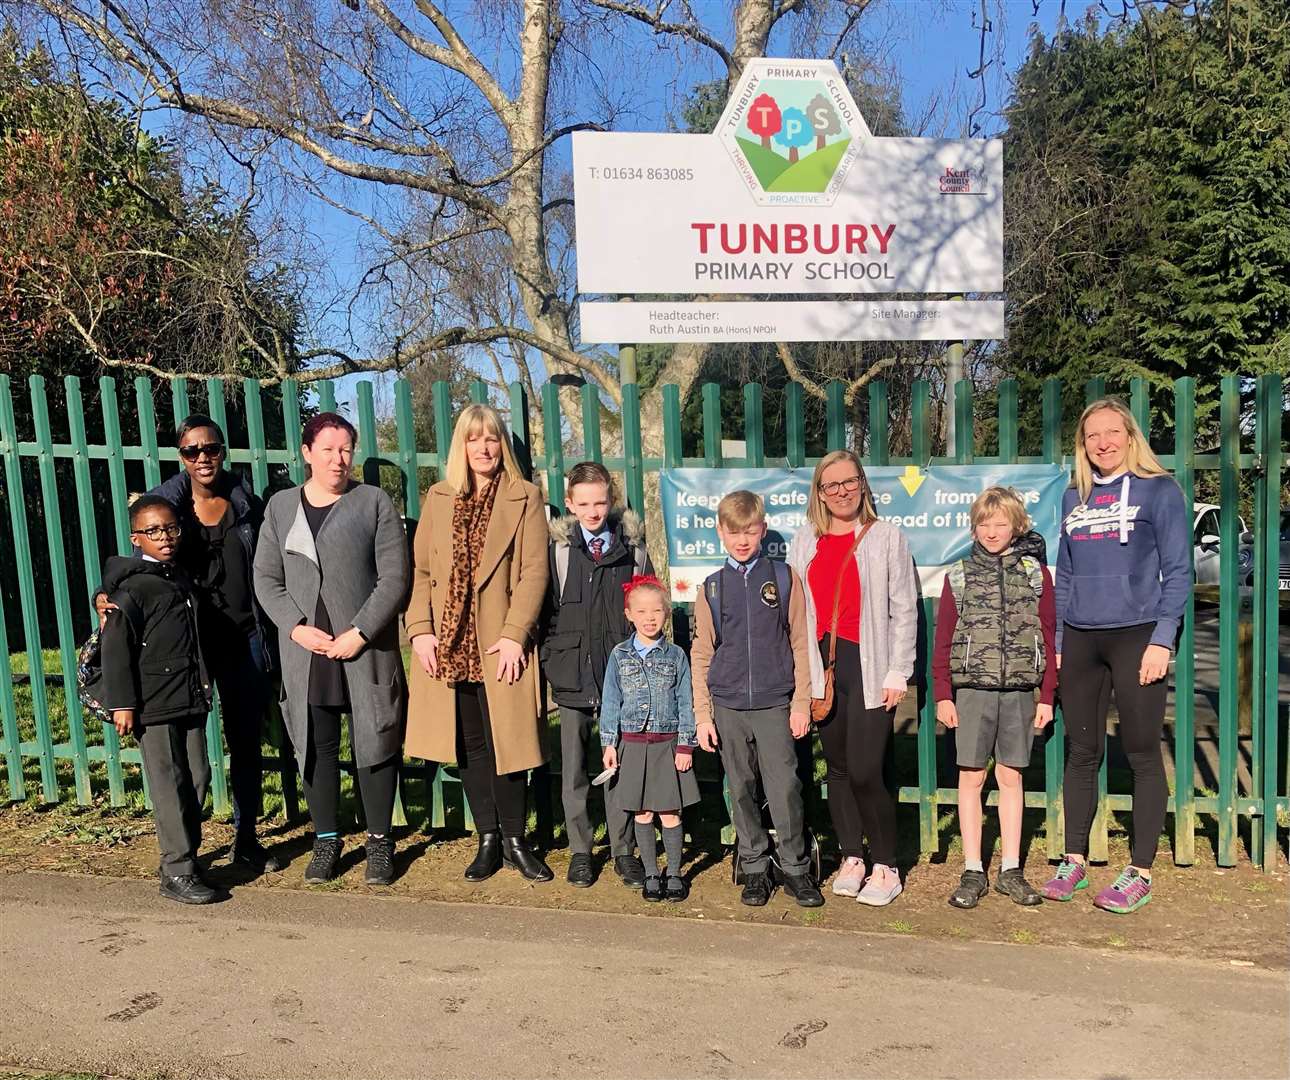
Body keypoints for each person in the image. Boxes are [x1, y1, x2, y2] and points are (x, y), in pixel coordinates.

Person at [97, 415, 282, 873]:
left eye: (211, 449)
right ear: (181, 456)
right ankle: (183, 854)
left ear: (223, 450)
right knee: (185, 753)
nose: (203, 458)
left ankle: (247, 836)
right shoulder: (168, 509)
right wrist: (103, 592)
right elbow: (134, 561)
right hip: (189, 648)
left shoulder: (245, 503)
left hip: (244, 638)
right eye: (192, 451)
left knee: (245, 742)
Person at [1042, 397, 1190, 914]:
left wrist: (1162, 638)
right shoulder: (1072, 498)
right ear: (1082, 445)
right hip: (1082, 638)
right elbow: (1066, 577)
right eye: (1091, 436)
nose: (1102, 443)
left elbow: (1179, 572)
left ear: (1130, 435)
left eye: (1111, 432)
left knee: (1142, 751)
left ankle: (1140, 870)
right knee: (1081, 752)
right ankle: (1075, 859)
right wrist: (1059, 644)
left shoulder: (1161, 491)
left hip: (1137, 636)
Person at [253, 412, 410, 887]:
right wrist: (296, 629)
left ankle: (380, 842)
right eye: (328, 449)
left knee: (375, 740)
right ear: (306, 453)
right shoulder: (281, 508)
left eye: (345, 449)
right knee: (316, 746)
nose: (339, 459)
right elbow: (265, 577)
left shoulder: (373, 502)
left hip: (363, 649)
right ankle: (326, 839)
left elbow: (395, 577)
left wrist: (360, 632)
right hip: (308, 652)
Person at [404, 404, 553, 883]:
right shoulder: (439, 498)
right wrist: (420, 629)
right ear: (461, 446)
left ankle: (515, 839)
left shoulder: (525, 497)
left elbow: (534, 572)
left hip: (500, 641)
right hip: (450, 641)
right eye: (474, 439)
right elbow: (421, 571)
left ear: (502, 445)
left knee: (507, 740)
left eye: (491, 438)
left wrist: (515, 635)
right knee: (469, 744)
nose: (484, 448)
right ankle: (487, 838)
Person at [786, 449, 918, 907]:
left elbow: (904, 608)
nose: (840, 492)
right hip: (824, 665)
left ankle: (886, 864)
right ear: (819, 492)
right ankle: (851, 857)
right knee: (837, 770)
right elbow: (797, 609)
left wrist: (899, 670)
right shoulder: (806, 539)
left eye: (848, 482)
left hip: (870, 662)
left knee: (865, 770)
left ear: (862, 484)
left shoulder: (885, 537)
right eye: (830, 485)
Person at [690, 490, 823, 908]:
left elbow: (801, 644)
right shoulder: (713, 588)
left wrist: (800, 702)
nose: (742, 539)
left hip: (774, 704)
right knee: (742, 789)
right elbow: (701, 654)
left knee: (785, 787)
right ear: (720, 533)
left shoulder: (783, 578)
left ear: (762, 530)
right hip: (728, 706)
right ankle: (753, 867)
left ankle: (795, 868)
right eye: (734, 532)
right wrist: (703, 715)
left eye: (750, 530)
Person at [933, 486, 1056, 909]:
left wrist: (1047, 696)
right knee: (970, 777)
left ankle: (1010, 869)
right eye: (984, 523)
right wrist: (943, 694)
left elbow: (1049, 634)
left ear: (1017, 525)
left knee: (1011, 778)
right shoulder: (960, 574)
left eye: (1001, 523)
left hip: (1021, 692)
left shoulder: (1036, 575)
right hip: (971, 692)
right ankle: (972, 868)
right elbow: (944, 638)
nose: (992, 530)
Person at [99, 496, 218, 904]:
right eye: (153, 531)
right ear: (137, 538)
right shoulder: (131, 589)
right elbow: (115, 648)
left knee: (198, 776)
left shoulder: (179, 576)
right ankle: (177, 870)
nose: (164, 537)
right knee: (168, 785)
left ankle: (183, 857)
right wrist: (123, 705)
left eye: (170, 529)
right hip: (152, 705)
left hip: (188, 696)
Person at [542, 461, 651, 889]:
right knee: (574, 771)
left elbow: (649, 608)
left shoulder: (634, 549)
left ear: (612, 500)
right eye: (583, 503)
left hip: (620, 681)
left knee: (618, 767)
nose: (593, 511)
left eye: (601, 501)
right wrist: (555, 659)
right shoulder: (560, 551)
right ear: (570, 503)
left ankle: (623, 849)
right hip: (573, 679)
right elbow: (547, 612)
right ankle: (581, 850)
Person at [600, 575, 699, 903]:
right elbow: (611, 702)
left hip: (667, 745)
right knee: (642, 813)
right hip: (632, 744)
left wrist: (685, 744)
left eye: (656, 610)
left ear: (666, 614)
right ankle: (651, 874)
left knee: (670, 812)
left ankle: (673, 873)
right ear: (629, 614)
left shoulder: (676, 657)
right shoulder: (619, 655)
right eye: (641, 611)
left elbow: (686, 702)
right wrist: (609, 744)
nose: (649, 617)